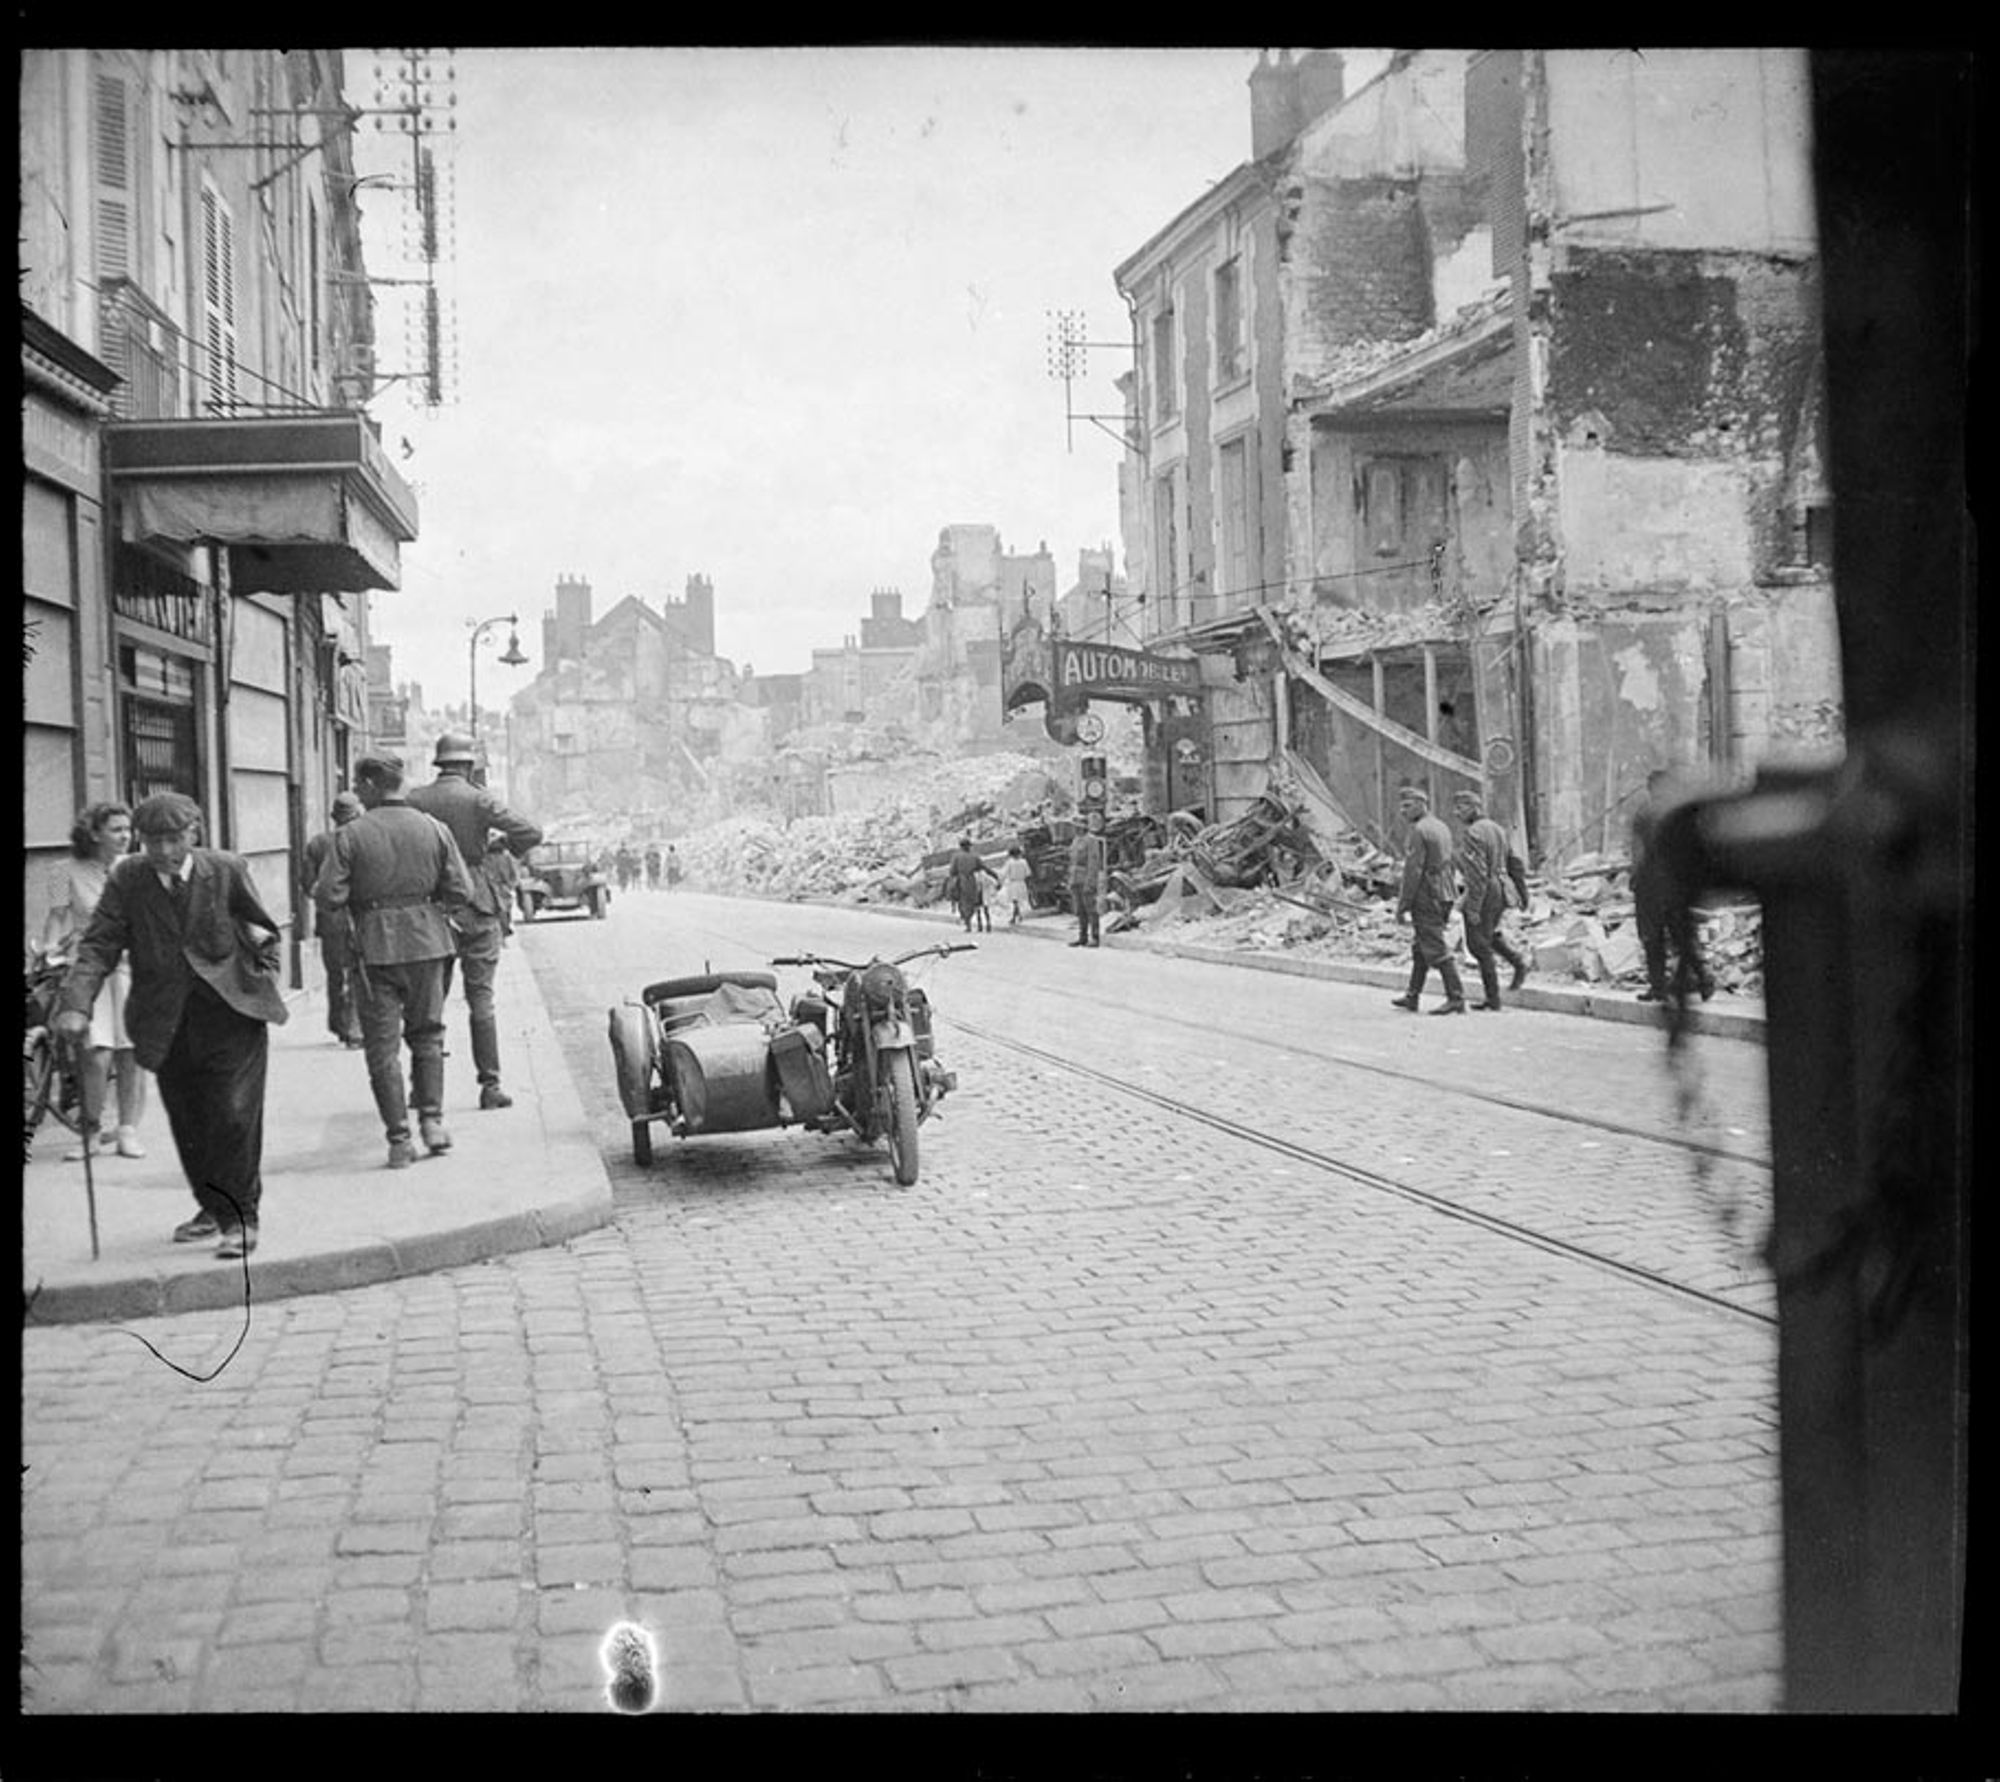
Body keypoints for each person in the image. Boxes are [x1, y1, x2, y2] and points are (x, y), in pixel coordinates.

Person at [52, 792, 288, 1259]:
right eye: (152, 841)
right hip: (165, 1019)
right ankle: (211, 1206)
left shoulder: (225, 869)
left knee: (234, 1115)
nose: (162, 851)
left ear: (193, 834)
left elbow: (262, 928)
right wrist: (76, 1003)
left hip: (231, 1014)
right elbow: (98, 944)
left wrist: (262, 973)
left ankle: (240, 1218)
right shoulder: (129, 879)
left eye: (173, 839)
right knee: (190, 1121)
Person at [316, 754, 474, 1168]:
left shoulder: (349, 835)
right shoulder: (434, 829)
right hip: (429, 943)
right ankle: (433, 1123)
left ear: (370, 785)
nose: (354, 791)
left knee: (382, 1048)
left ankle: (399, 1140)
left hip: (374, 949)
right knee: (429, 1036)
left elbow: (328, 895)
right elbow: (462, 890)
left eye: (357, 784)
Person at [405, 732, 543, 1109]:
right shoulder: (479, 799)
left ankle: (422, 1088)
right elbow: (531, 832)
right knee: (481, 999)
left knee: (428, 1002)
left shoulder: (415, 800)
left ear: (440, 763)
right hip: (478, 902)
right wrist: (499, 847)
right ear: (468, 765)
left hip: (433, 906)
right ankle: (490, 1086)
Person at [42, 801, 149, 1159]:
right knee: (95, 1054)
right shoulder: (63, 871)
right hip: (88, 968)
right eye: (116, 829)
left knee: (131, 1050)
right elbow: (58, 917)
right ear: (93, 833)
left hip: (132, 967)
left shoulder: (136, 869)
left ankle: (128, 1131)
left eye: (127, 829)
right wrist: (48, 950)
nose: (125, 836)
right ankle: (89, 1133)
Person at [1631, 768, 1715, 1004]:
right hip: (1678, 883)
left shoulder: (1646, 813)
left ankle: (1658, 987)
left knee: (1652, 937)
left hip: (1650, 883)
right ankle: (1704, 977)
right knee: (1682, 935)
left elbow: (1639, 851)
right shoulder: (1682, 813)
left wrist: (1634, 878)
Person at [1449, 787, 1531, 1010]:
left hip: (1485, 891)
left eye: (1462, 808)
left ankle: (1493, 999)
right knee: (1488, 935)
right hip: (1502, 888)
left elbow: (1476, 874)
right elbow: (1515, 862)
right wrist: (1523, 894)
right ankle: (1517, 962)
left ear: (1475, 808)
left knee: (1477, 945)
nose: (1457, 813)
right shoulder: (1497, 829)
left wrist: (1473, 907)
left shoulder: (1474, 832)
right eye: (1455, 808)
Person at [1390, 785, 1468, 1014]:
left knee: (1435, 948)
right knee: (1420, 948)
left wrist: (1403, 904)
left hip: (1427, 894)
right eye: (1401, 806)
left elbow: (1413, 871)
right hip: (1444, 892)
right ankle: (1412, 996)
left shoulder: (1419, 830)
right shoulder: (1441, 826)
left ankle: (1456, 998)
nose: (1403, 811)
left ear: (1422, 804)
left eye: (1408, 806)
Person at [301, 791, 366, 1049]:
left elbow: (307, 885)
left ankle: (339, 1026)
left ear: (333, 817)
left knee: (335, 974)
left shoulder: (317, 844)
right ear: (357, 815)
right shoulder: (361, 840)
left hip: (330, 918)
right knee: (357, 971)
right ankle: (355, 1029)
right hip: (358, 916)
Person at [1067, 812, 1108, 948]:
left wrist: (1090, 882)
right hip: (1075, 879)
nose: (1075, 828)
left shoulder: (1091, 840)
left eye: (1077, 826)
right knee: (1080, 910)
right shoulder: (1075, 841)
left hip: (1086, 879)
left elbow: (1093, 862)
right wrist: (1070, 881)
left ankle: (1095, 937)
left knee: (1091, 909)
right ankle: (1082, 937)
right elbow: (1072, 862)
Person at [946, 837, 998, 934]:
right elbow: (983, 867)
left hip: (961, 881)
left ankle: (968, 924)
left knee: (964, 902)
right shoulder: (975, 856)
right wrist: (994, 875)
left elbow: (952, 871)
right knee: (974, 901)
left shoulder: (956, 857)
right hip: (972, 880)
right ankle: (979, 922)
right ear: (969, 846)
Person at [997, 844, 1033, 927]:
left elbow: (1003, 873)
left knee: (1015, 901)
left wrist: (999, 882)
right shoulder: (1024, 862)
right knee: (1018, 900)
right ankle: (1018, 915)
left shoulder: (1009, 863)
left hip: (1013, 883)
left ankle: (1015, 916)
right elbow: (1028, 873)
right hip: (1021, 882)